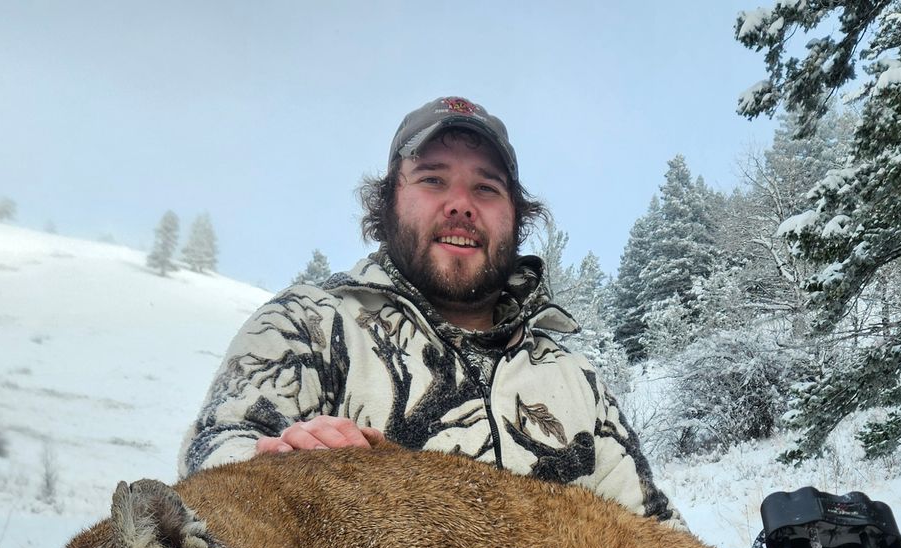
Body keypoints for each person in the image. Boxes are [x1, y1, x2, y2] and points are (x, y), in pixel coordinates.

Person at [179, 97, 679, 524]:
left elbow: (657, 540)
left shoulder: (574, 379)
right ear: (388, 203)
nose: (461, 204)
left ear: (516, 217)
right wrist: (273, 466)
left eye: (486, 188)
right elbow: (216, 458)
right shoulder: (306, 323)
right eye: (433, 180)